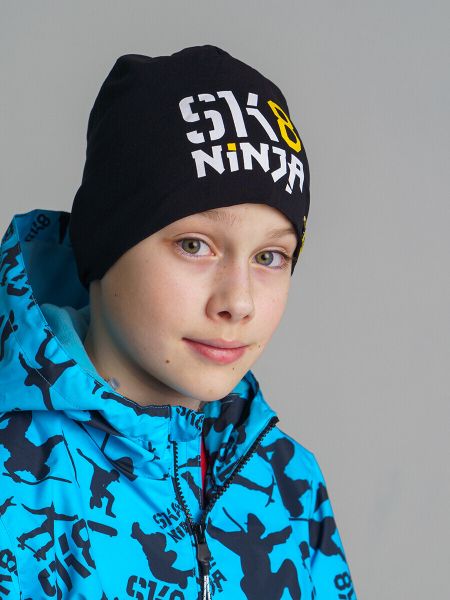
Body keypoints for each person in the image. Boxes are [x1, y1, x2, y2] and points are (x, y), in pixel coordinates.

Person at [0, 45, 357, 599]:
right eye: (195, 245)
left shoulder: (289, 482)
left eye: (270, 256)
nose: (238, 301)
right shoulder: (14, 480)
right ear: (105, 242)